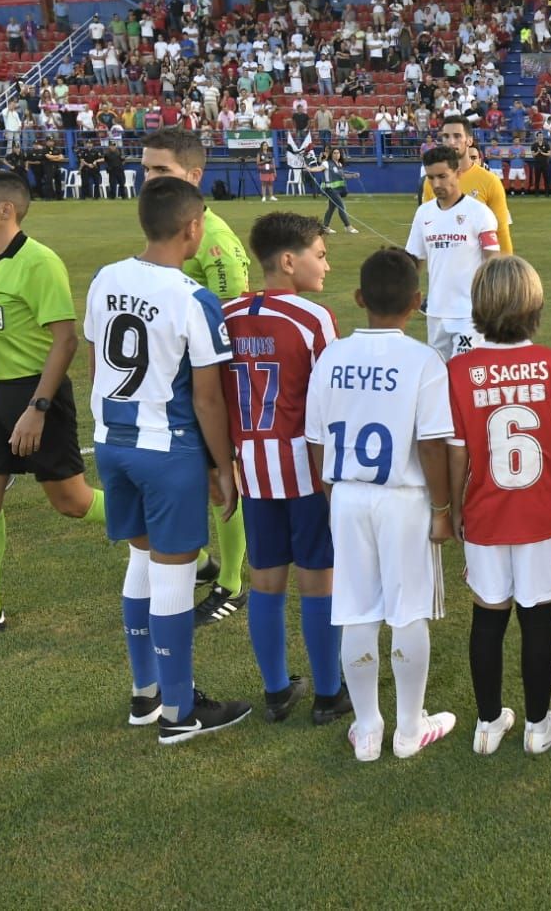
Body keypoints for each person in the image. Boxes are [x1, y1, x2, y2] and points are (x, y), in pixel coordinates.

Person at [84, 176, 248, 741]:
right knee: (175, 576)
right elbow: (207, 397)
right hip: (166, 449)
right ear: (193, 228)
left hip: (113, 442)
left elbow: (95, 366)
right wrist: (223, 466)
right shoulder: (193, 299)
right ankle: (180, 713)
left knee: (142, 562)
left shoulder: (106, 278)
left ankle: (145, 695)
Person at [303, 248, 458, 761]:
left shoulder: (332, 356)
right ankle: (410, 728)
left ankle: (368, 729)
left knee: (357, 611)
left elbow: (316, 440)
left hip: (347, 493)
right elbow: (433, 443)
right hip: (404, 498)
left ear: (358, 299)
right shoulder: (423, 360)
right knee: (408, 610)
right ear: (417, 302)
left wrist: (333, 495)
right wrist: (442, 509)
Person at [0, 172, 107, 648]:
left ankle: (175, 541)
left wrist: (37, 407)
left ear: (5, 210)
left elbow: (65, 340)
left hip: (35, 394)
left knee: (71, 502)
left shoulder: (39, 262)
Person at [448, 256, 551, 757]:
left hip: (485, 510)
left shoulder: (458, 370)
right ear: (535, 306)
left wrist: (454, 507)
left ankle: (488, 723)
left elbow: (458, 451)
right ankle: (536, 724)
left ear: (478, 306)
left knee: (487, 616)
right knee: (537, 616)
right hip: (541, 511)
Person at [223, 212, 350, 726]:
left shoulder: (226, 315)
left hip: (252, 471)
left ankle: (276, 692)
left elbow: (211, 393)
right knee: (319, 581)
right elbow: (330, 401)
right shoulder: (312, 319)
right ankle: (327, 694)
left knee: (266, 580)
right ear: (289, 260)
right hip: (305, 471)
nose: (327, 264)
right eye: (320, 255)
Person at [140, 128, 253, 625]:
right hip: (175, 382)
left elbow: (234, 321)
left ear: (193, 175)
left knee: (221, 479)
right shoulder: (168, 227)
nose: (148, 178)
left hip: (206, 385)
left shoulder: (216, 241)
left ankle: (231, 581)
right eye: (144, 168)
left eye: (159, 170)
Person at [406, 145, 502, 361]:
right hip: (436, 313)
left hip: (469, 314)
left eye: (442, 176)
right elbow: (415, 259)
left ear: (457, 174)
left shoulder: (479, 213)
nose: (436, 184)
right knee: (439, 375)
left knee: (465, 373)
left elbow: (492, 261)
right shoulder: (424, 213)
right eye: (431, 178)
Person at [418, 115, 513, 254]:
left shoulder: (489, 181)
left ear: (469, 140)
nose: (451, 142)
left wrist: (506, 272)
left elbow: (501, 232)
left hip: (480, 271)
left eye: (457, 136)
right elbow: (427, 228)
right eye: (446, 136)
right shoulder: (430, 182)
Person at [314, 145, 358, 234]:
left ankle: (325, 227)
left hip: (338, 189)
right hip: (330, 190)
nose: (336, 155)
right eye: (334, 153)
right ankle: (348, 226)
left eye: (338, 153)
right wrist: (310, 169)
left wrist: (353, 175)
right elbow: (319, 168)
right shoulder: (327, 163)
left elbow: (343, 175)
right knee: (341, 207)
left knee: (331, 208)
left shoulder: (339, 164)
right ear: (332, 154)